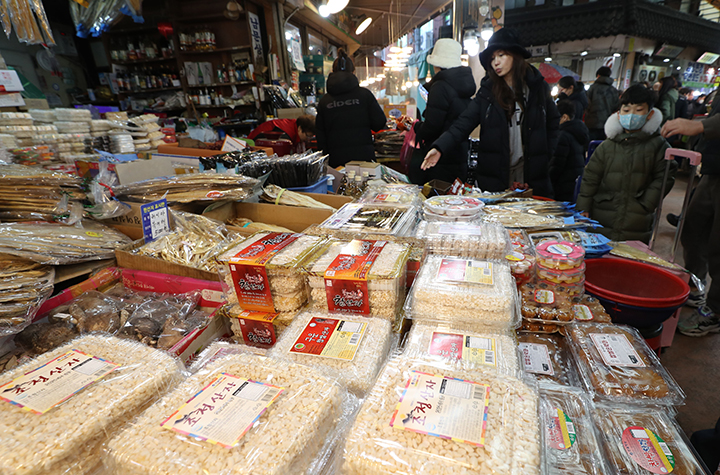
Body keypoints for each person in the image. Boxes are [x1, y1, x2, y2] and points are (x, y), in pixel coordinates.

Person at [421, 28, 560, 197]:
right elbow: (463, 123)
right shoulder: (488, 91)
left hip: (530, 173)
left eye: (501, 55)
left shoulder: (537, 88)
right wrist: (440, 148)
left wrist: (546, 157)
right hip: (496, 175)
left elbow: (553, 123)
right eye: (493, 58)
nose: (496, 62)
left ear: (515, 55)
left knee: (529, 220)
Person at [576, 84, 675, 242]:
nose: (631, 115)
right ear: (619, 113)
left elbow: (664, 177)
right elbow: (590, 178)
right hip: (603, 213)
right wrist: (583, 207)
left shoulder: (659, 146)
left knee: (631, 258)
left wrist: (646, 204)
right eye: (627, 110)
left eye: (638, 110)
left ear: (649, 114)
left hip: (637, 219)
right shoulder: (607, 146)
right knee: (602, 255)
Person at [661, 101, 720, 335]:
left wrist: (700, 126)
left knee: (718, 245)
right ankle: (696, 288)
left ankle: (715, 311)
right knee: (693, 228)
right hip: (713, 169)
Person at [409, 38, 476, 185]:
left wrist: (417, 126)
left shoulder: (440, 86)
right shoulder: (464, 85)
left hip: (439, 159)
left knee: (436, 204)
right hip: (459, 157)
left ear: (436, 64)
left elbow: (432, 127)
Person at [315, 48, 387, 167]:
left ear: (332, 72)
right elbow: (379, 123)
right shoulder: (365, 95)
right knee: (366, 184)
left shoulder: (324, 101)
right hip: (364, 159)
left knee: (339, 186)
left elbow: (320, 138)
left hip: (336, 160)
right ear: (353, 72)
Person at [550, 100, 589, 201]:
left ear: (564, 117)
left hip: (564, 185)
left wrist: (549, 180)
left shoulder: (563, 135)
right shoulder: (578, 131)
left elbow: (557, 164)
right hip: (574, 183)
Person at [585, 66, 620, 141]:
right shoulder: (613, 90)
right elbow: (616, 107)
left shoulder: (592, 88)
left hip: (591, 123)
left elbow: (586, 104)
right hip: (607, 123)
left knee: (590, 146)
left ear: (598, 76)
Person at [247, 115, 315, 146]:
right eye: (308, 136)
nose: (308, 139)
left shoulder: (294, 125)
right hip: (250, 144)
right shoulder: (285, 136)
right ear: (300, 129)